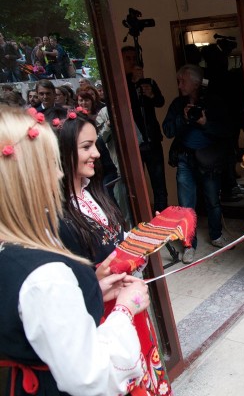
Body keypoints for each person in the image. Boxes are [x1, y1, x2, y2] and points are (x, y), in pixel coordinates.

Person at [0, 107, 150, 395]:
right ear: (25, 176)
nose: (58, 172)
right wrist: (124, 311)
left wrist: (92, 287)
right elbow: (91, 375)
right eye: (50, 163)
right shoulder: (45, 276)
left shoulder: (15, 252)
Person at [56, 111, 172, 395]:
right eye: (86, 147)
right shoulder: (56, 214)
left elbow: (118, 245)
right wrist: (96, 279)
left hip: (128, 304)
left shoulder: (94, 193)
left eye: (96, 144)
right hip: (103, 318)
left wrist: (149, 236)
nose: (96, 153)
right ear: (61, 151)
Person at [163, 64, 231, 263]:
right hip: (185, 158)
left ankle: (216, 235)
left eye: (182, 81)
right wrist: (182, 119)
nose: (179, 84)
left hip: (208, 159)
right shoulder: (178, 105)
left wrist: (205, 124)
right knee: (186, 205)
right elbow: (167, 130)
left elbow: (226, 130)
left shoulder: (214, 102)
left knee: (212, 200)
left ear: (194, 82)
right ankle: (188, 245)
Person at [121, 46, 168, 213]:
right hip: (133, 143)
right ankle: (141, 222)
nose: (132, 62)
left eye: (135, 58)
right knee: (135, 187)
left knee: (159, 185)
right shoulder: (121, 85)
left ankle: (163, 224)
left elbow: (160, 102)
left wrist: (151, 95)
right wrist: (133, 83)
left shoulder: (149, 82)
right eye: (128, 58)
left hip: (153, 140)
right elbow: (123, 107)